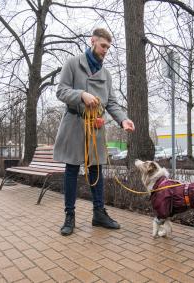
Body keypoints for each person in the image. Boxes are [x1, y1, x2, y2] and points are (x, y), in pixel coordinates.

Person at [54, 28, 135, 236]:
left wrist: (123, 119)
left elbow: (113, 103)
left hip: (96, 128)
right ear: (93, 41)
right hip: (74, 124)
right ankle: (69, 216)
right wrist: (81, 95)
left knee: (96, 171)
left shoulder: (106, 75)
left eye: (108, 47)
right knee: (72, 171)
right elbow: (61, 91)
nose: (106, 50)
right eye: (103, 46)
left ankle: (99, 214)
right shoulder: (73, 64)